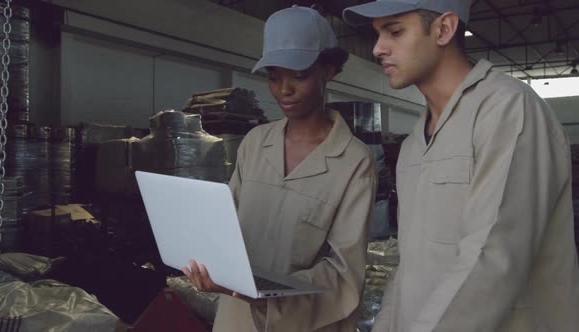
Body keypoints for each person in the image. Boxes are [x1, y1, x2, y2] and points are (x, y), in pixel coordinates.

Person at [342, 0, 579, 331]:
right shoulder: (414, 144)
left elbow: (492, 259)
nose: (378, 48)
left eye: (394, 31)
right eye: (378, 34)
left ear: (444, 29)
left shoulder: (508, 110)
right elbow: (410, 267)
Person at [183, 6, 378, 332]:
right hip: (236, 320)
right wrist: (208, 261)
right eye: (274, 77)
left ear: (328, 70)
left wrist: (263, 294)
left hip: (303, 324)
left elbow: (343, 275)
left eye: (298, 75)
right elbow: (225, 228)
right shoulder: (255, 143)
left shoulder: (354, 162)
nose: (283, 89)